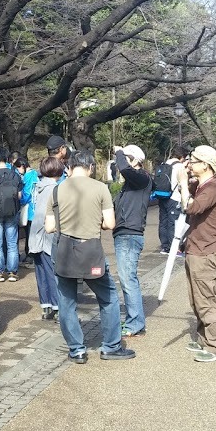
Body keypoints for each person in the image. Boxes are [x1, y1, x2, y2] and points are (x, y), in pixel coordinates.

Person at [44, 151, 135, 364]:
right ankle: (111, 347)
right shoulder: (100, 188)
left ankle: (77, 350)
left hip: (64, 250)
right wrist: (95, 222)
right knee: (109, 296)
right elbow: (110, 224)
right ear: (91, 168)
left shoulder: (57, 191)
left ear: (69, 167)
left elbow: (49, 227)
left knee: (66, 302)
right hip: (91, 251)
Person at [180, 146, 216, 362]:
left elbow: (191, 208)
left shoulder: (213, 188)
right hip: (195, 248)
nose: (190, 164)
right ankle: (204, 339)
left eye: (194, 161)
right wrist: (187, 182)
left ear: (206, 165)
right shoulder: (203, 185)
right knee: (196, 298)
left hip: (205, 252)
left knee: (207, 299)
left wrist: (183, 183)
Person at [112, 145, 153, 337]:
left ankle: (135, 322)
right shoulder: (131, 183)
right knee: (127, 279)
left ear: (136, 160)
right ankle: (134, 320)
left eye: (127, 157)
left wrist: (119, 152)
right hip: (124, 233)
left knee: (128, 280)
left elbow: (125, 169)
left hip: (130, 234)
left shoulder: (142, 177)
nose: (121, 160)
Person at [28, 157, 62, 320]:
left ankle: (46, 306)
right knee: (52, 272)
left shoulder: (39, 186)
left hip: (35, 235)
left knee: (41, 272)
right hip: (47, 236)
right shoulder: (54, 188)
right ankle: (57, 308)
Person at [0, 147, 23, 282]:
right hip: (12, 211)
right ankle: (13, 272)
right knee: (12, 243)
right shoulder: (15, 175)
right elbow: (20, 195)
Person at [155, 147, 185, 254]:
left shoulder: (164, 164)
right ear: (182, 157)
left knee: (163, 221)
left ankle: (164, 246)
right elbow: (182, 184)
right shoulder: (180, 166)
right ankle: (173, 247)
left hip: (162, 196)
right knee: (172, 222)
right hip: (174, 197)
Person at [13, 157, 38, 267]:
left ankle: (29, 255)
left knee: (28, 232)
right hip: (36, 207)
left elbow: (27, 193)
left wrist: (20, 201)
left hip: (29, 208)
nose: (18, 171)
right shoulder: (35, 174)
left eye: (18, 168)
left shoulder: (28, 176)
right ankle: (31, 254)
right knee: (32, 232)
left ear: (22, 166)